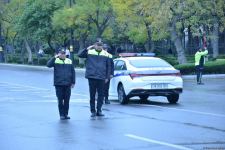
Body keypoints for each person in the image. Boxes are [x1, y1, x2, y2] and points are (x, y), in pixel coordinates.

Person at [78, 42, 111, 117]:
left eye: (100, 46)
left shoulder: (106, 54)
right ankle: (93, 111)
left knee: (101, 95)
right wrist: (87, 48)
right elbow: (80, 54)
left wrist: (107, 77)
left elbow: (108, 66)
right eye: (97, 45)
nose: (99, 47)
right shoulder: (90, 52)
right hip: (92, 76)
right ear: (95, 46)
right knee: (92, 95)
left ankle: (99, 110)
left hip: (102, 77)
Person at [47, 49, 75, 120]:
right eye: (61, 53)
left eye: (64, 53)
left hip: (68, 84)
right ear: (59, 54)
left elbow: (73, 72)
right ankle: (61, 114)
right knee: (60, 100)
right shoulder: (56, 60)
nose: (63, 55)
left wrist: (73, 82)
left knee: (67, 100)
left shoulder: (69, 61)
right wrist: (55, 57)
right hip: (59, 84)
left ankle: (66, 114)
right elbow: (48, 65)